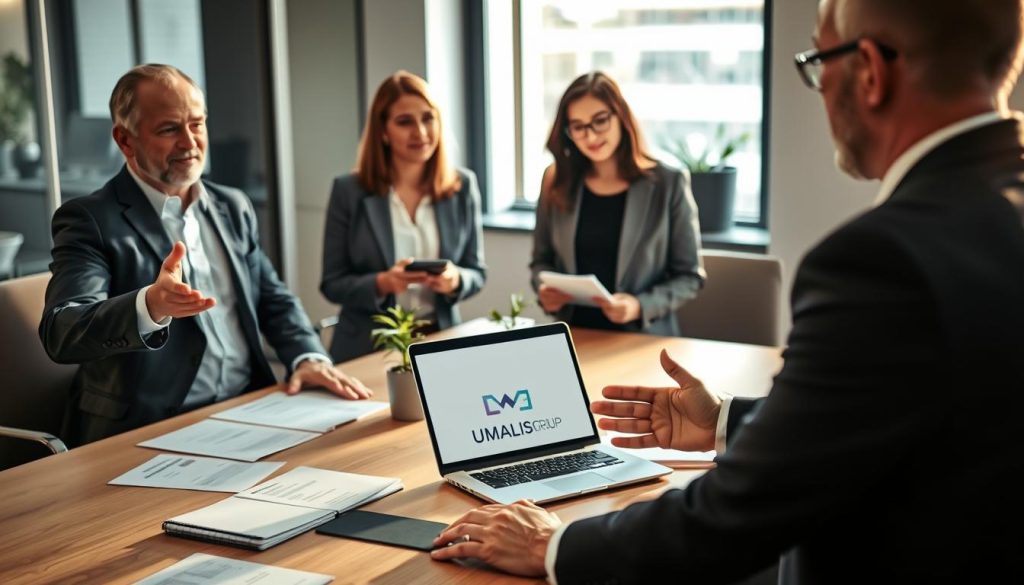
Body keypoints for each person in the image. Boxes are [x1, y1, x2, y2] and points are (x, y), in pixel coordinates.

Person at [431, 0, 1024, 582]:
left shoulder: (880, 259)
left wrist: (553, 545)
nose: (818, 91)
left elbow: (737, 516)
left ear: (868, 69)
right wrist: (726, 421)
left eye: (818, 61)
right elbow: (897, 413)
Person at [40, 64, 371, 447]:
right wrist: (149, 306)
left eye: (196, 124)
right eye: (169, 129)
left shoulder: (233, 205)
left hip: (250, 412)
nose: (189, 142)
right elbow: (62, 331)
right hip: (147, 431)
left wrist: (308, 357)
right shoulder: (90, 220)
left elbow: (273, 299)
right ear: (125, 141)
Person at [320, 70, 485, 362]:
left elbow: (476, 271)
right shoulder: (348, 191)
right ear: (383, 131)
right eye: (404, 121)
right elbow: (332, 283)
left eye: (427, 118)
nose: (420, 132)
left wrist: (455, 279)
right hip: (369, 348)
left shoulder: (462, 186)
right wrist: (382, 283)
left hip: (440, 339)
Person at [530, 71, 704, 335]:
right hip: (573, 335)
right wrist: (545, 292)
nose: (590, 137)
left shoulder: (668, 183)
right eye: (578, 126)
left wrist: (639, 305)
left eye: (599, 121)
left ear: (620, 116)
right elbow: (541, 262)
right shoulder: (555, 179)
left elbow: (689, 277)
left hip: (641, 338)